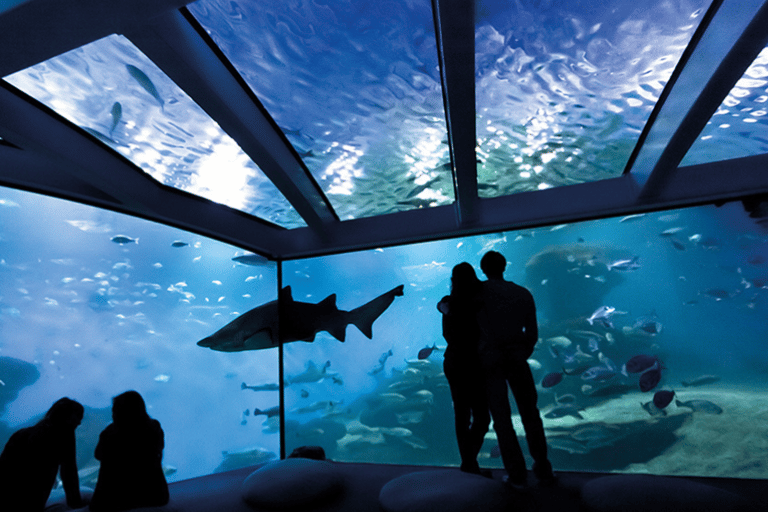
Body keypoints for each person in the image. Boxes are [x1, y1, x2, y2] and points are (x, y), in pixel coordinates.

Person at [475, 251, 555, 487]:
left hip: (490, 361)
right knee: (531, 413)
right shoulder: (522, 293)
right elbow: (532, 333)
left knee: (501, 418)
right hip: (518, 359)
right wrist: (521, 353)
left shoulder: (478, 294)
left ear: (483, 268)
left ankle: (516, 472)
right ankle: (543, 467)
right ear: (504, 266)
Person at [437, 262, 491, 476]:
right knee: (481, 416)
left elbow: (441, 306)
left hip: (453, 361)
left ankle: (468, 462)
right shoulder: (477, 302)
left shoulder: (449, 303)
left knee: (462, 413)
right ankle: (469, 462)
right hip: (474, 363)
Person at [0, 397, 85, 511]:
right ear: (68, 418)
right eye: (78, 417)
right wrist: (75, 503)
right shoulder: (64, 438)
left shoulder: (20, 434)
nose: (79, 422)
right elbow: (69, 473)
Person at [89, 390, 169, 512]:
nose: (112, 414)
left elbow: (98, 455)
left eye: (114, 410)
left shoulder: (110, 433)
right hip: (156, 495)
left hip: (113, 498)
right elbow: (160, 448)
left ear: (120, 412)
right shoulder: (154, 427)